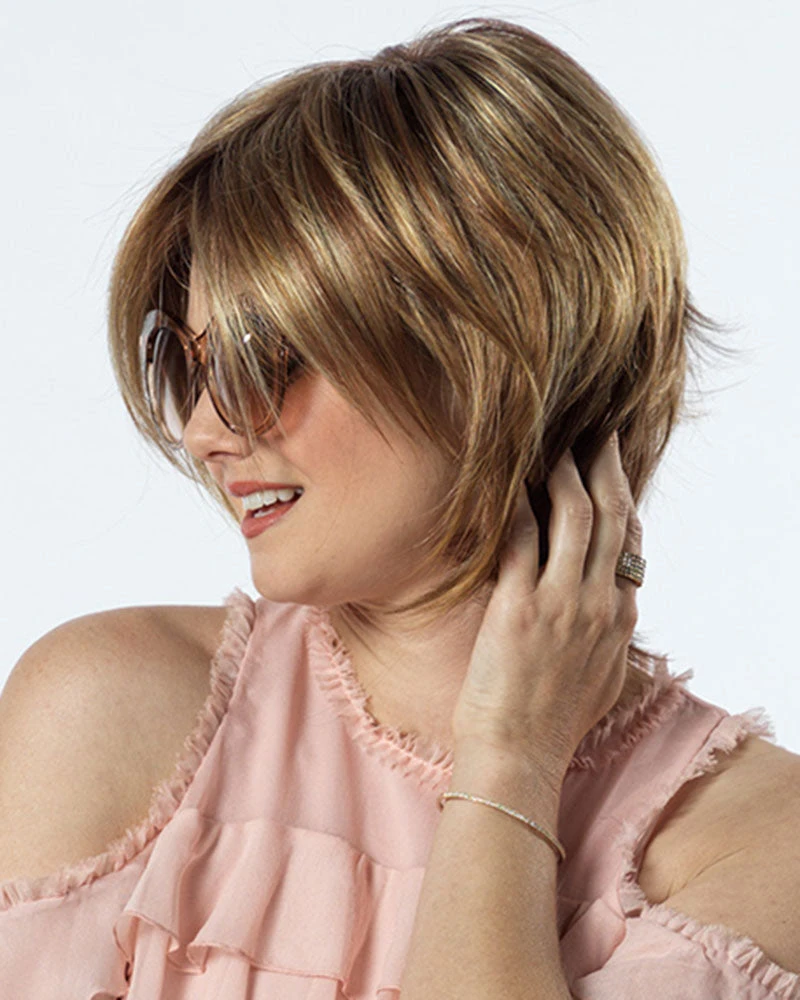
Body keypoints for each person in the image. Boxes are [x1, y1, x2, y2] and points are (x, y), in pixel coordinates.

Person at [0, 15, 798, 999]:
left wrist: (509, 762)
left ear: (492, 350)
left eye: (262, 357)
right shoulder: (107, 712)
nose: (205, 429)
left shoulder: (761, 845)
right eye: (190, 365)